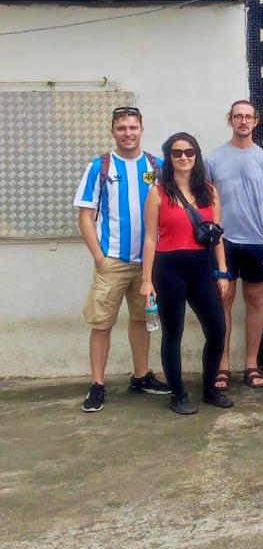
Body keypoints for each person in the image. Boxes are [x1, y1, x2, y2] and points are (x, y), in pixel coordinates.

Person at [74, 105, 170, 412]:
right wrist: (99, 257)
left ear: (141, 129)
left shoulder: (157, 166)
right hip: (112, 261)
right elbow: (86, 216)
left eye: (132, 127)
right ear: (113, 131)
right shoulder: (100, 167)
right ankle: (97, 384)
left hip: (148, 264)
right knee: (101, 323)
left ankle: (141, 376)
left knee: (142, 319)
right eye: (121, 128)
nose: (128, 133)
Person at [141, 133, 232, 416]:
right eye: (177, 153)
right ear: (168, 157)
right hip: (169, 269)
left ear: (197, 155)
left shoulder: (209, 191)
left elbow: (217, 235)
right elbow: (150, 239)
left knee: (217, 329)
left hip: (202, 267)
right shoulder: (158, 193)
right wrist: (146, 281)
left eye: (189, 152)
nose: (184, 157)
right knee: (173, 333)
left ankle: (209, 389)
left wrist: (223, 272)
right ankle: (178, 394)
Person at [205, 100, 263, 392]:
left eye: (248, 117)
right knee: (223, 299)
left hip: (255, 242)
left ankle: (251, 364)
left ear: (255, 122)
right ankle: (222, 365)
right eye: (238, 116)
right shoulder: (213, 159)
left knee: (255, 300)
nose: (243, 121)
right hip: (223, 243)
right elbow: (204, 201)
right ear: (230, 120)